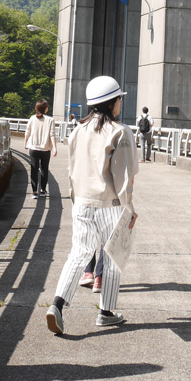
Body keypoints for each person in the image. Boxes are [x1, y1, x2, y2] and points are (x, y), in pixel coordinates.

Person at [45, 75, 138, 335]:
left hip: (82, 202)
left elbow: (72, 169)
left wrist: (76, 199)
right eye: (118, 99)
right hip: (111, 204)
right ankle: (105, 312)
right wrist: (129, 208)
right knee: (113, 256)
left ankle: (56, 305)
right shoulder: (120, 132)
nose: (120, 103)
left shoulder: (77, 130)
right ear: (110, 103)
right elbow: (123, 177)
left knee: (78, 254)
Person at [25, 98, 58, 198]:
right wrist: (54, 148)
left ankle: (34, 192)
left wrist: (25, 143)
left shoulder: (32, 118)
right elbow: (52, 135)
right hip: (45, 149)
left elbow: (27, 132)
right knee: (44, 169)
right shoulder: (50, 120)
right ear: (45, 108)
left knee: (34, 169)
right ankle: (43, 190)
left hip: (33, 148)